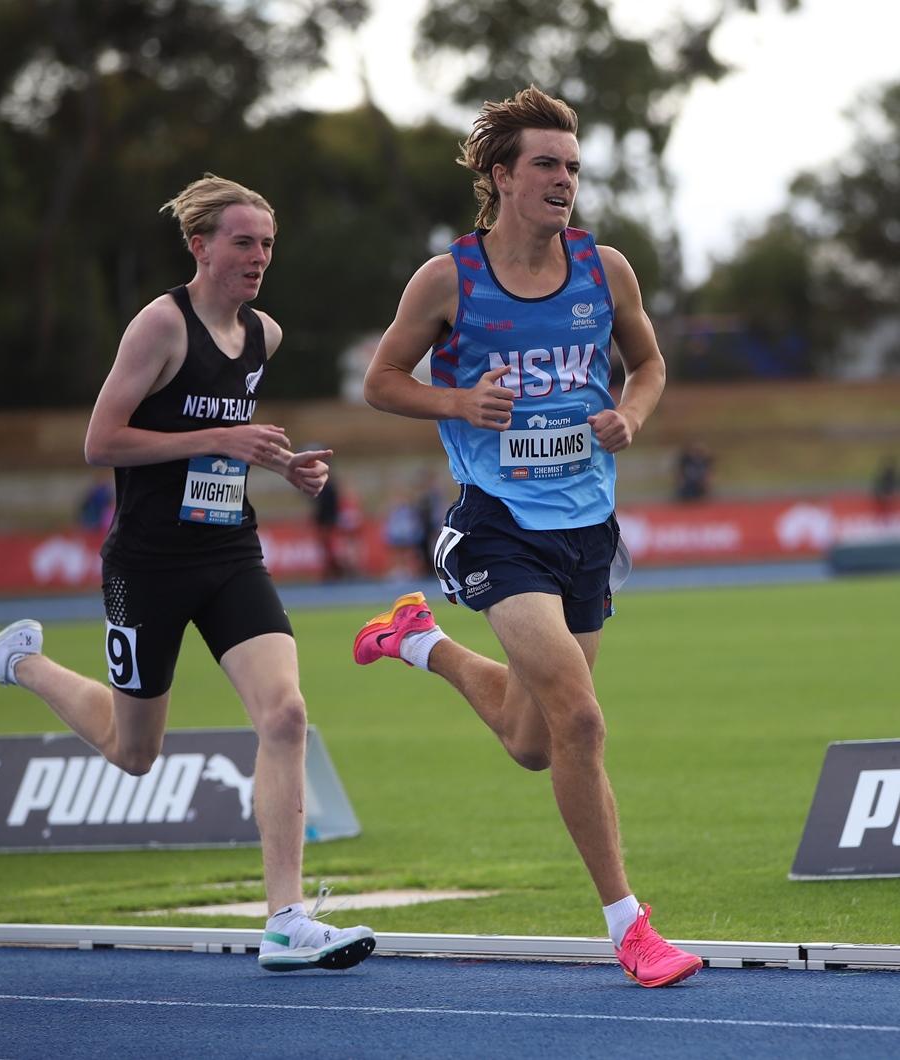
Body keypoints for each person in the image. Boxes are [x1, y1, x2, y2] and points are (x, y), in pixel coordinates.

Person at [0, 175, 375, 973]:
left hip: (229, 554)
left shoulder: (265, 336)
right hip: (147, 564)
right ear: (201, 246)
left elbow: (233, 432)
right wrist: (217, 442)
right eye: (244, 242)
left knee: (285, 714)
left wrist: (285, 466)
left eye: (268, 245)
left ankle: (285, 919)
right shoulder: (160, 324)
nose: (259, 258)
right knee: (133, 750)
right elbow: (100, 442)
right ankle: (21, 659)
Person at [352, 88, 700, 988]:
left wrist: (629, 410)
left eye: (574, 168)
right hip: (498, 526)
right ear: (501, 176)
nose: (565, 182)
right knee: (580, 719)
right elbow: (383, 381)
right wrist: (456, 400)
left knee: (533, 740)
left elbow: (651, 364)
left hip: (588, 522)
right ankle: (632, 927)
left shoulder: (606, 269)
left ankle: (418, 640)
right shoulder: (448, 280)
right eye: (546, 165)